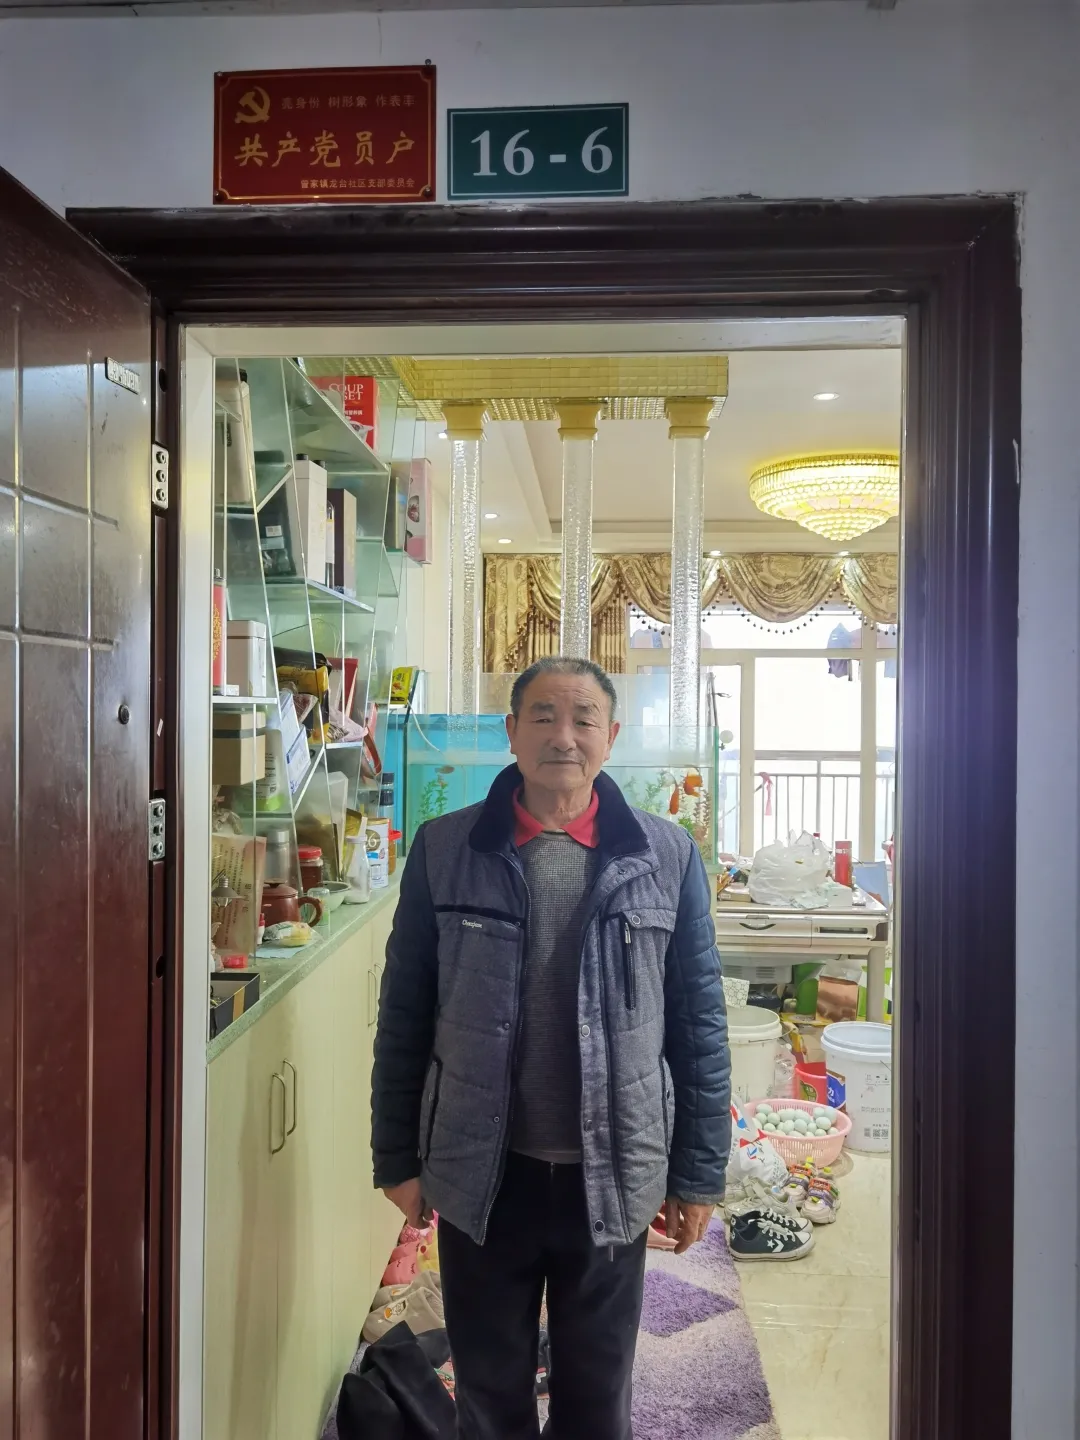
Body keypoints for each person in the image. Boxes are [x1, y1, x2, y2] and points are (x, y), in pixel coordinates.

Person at [372, 656, 731, 1440]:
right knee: (488, 1395)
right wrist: (396, 1156)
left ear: (611, 735)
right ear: (510, 732)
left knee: (597, 1399)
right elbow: (405, 1014)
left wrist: (698, 1172)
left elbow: (700, 1024)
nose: (562, 736)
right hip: (483, 1174)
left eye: (582, 718)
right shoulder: (444, 849)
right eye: (542, 716)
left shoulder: (667, 856)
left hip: (613, 1173)